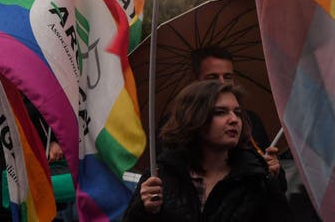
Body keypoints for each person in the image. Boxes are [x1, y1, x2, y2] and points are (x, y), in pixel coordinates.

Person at [123, 80, 290, 222]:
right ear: (194, 117)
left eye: (237, 113)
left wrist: (274, 181)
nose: (234, 120)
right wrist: (144, 209)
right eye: (220, 112)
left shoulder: (257, 179)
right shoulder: (160, 174)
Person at [190, 46, 281, 178]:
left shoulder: (250, 120)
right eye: (213, 77)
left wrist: (274, 172)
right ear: (196, 80)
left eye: (227, 77)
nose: (221, 83)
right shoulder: (177, 124)